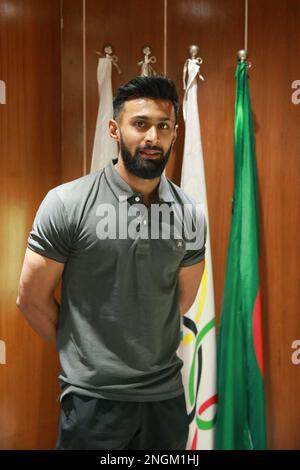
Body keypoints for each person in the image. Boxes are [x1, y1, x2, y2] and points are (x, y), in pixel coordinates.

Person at [16, 75, 207, 450]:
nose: (152, 137)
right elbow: (30, 299)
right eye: (140, 124)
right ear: (114, 129)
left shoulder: (190, 214)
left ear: (174, 133)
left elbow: (180, 299)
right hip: (92, 403)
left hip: (165, 403)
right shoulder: (67, 203)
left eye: (163, 126)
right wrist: (84, 354)